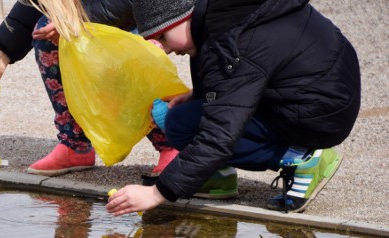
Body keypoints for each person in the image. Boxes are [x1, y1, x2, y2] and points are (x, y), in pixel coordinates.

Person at [106, 0, 361, 216]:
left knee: (203, 130)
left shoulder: (231, 42)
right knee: (181, 121)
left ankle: (302, 159)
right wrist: (199, 94)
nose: (168, 49)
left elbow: (218, 138)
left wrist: (158, 193)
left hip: (319, 113)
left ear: (182, 15)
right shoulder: (221, 16)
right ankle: (216, 178)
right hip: (320, 90)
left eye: (163, 36)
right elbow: (258, 70)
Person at [0, 0, 179, 179]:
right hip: (90, 16)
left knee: (119, 62)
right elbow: (32, 8)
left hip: (143, 17)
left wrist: (79, 21)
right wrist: (1, 54)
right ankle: (75, 144)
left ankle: (170, 142)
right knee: (47, 31)